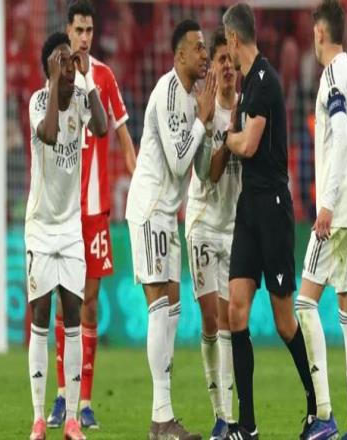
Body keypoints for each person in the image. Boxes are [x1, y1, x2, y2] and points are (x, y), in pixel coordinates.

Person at [220, 4, 316, 440]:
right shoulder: (247, 86)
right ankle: (248, 425)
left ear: (233, 38)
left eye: (226, 41)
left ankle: (316, 404)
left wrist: (228, 138)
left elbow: (249, 145)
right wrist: (234, 134)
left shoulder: (263, 80)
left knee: (283, 322)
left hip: (274, 208)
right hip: (249, 207)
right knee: (236, 310)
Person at [47, 1, 137, 430]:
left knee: (89, 302)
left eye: (89, 31)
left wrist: (139, 181)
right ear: (67, 31)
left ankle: (84, 400)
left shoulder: (103, 76)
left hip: (96, 209)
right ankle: (61, 396)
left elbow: (122, 132)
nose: (84, 38)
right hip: (62, 210)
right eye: (78, 30)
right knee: (62, 302)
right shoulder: (54, 76)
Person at [125, 19, 216, 440]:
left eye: (205, 47)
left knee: (173, 309)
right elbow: (179, 163)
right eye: (198, 48)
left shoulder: (192, 98)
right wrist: (201, 120)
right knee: (160, 307)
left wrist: (208, 125)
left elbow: (199, 167)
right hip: (150, 209)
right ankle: (161, 420)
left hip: (169, 213)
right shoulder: (167, 92)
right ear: (179, 55)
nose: (205, 54)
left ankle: (162, 416)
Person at [26, 32, 107, 440]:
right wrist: (57, 80)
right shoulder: (38, 101)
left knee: (73, 313)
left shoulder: (81, 98)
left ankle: (72, 418)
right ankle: (39, 417)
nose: (67, 65)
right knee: (41, 315)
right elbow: (50, 134)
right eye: (59, 59)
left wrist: (86, 79)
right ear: (47, 67)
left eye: (69, 59)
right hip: (41, 227)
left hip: (71, 228)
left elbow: (103, 128)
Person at [295, 1, 347, 439]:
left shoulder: (332, 76)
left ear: (320, 33)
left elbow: (341, 136)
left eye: (313, 32)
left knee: (305, 304)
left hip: (337, 210)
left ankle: (324, 415)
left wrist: (326, 203)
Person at [185, 27, 239, 440]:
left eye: (231, 61)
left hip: (234, 226)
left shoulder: (250, 109)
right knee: (211, 319)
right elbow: (205, 173)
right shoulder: (201, 110)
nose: (227, 67)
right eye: (220, 59)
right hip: (203, 221)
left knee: (229, 322)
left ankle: (228, 417)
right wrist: (215, 129)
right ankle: (221, 414)